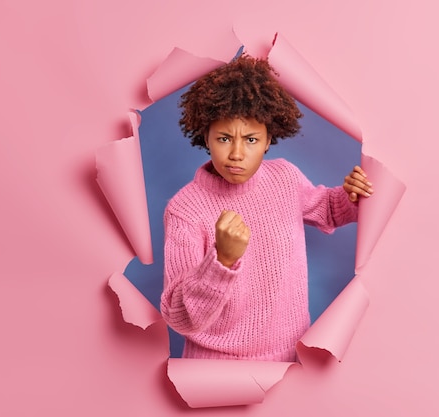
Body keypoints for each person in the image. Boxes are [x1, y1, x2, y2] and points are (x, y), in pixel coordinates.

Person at [160, 55, 373, 362]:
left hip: (291, 360)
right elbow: (178, 316)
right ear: (205, 136)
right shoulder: (185, 209)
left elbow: (327, 208)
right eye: (223, 138)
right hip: (216, 370)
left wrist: (351, 196)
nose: (236, 153)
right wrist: (222, 260)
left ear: (268, 139)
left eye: (250, 139)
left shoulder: (284, 177)